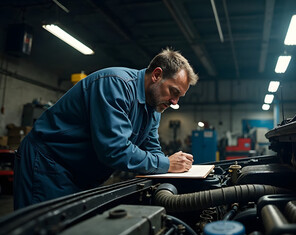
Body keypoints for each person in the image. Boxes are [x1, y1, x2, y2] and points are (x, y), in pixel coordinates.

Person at [13, 48, 198, 210]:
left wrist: (170, 168)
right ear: (157, 75)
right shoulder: (116, 84)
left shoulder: (154, 108)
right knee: (41, 231)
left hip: (80, 173)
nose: (175, 102)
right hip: (48, 163)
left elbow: (151, 147)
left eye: (179, 96)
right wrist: (166, 164)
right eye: (173, 92)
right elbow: (114, 149)